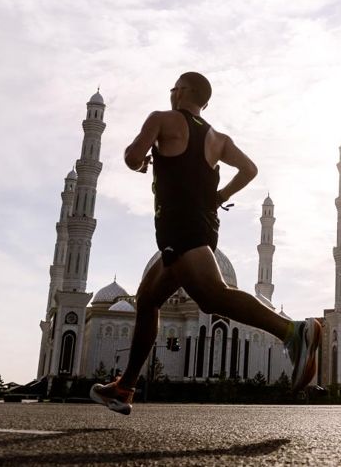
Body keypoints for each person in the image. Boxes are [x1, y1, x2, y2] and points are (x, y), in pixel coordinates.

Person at [90, 72, 321, 415]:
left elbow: (131, 157)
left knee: (211, 294)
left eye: (173, 88)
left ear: (181, 91)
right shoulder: (217, 138)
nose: (171, 93)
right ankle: (125, 386)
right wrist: (221, 194)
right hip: (203, 227)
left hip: (180, 227)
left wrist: (140, 160)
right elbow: (250, 169)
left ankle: (293, 331)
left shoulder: (161, 120)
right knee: (149, 298)